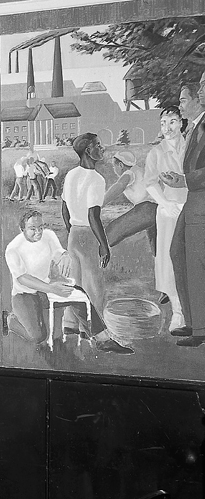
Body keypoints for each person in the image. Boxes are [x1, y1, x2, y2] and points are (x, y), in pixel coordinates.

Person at [61, 133, 132, 354]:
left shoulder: (71, 175)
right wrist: (103, 244)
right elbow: (93, 215)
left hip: (74, 234)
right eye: (98, 146)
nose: (102, 149)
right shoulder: (96, 179)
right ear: (87, 151)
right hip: (88, 235)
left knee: (76, 282)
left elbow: (64, 208)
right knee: (94, 288)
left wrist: (71, 230)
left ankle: (71, 325)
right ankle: (100, 338)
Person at [161, 69, 205, 347]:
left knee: (195, 263)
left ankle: (199, 329)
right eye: (200, 84)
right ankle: (192, 321)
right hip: (194, 200)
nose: (201, 90)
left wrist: (183, 180)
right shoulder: (197, 125)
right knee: (177, 252)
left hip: (201, 201)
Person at [142, 107, 187, 333]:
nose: (167, 128)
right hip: (169, 211)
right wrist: (165, 203)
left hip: (193, 207)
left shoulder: (191, 146)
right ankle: (178, 313)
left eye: (172, 122)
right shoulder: (157, 153)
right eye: (163, 123)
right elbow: (150, 183)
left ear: (181, 123)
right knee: (170, 261)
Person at [5, 210, 74, 344]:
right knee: (38, 337)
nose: (38, 232)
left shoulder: (48, 236)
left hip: (45, 290)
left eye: (41, 227)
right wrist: (51, 288)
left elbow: (58, 252)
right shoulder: (13, 248)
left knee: (80, 295)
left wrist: (65, 255)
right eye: (33, 228)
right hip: (24, 295)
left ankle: (98, 336)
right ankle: (9, 321)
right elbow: (22, 278)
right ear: (22, 229)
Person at [103, 151, 157, 255]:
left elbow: (119, 186)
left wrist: (100, 204)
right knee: (156, 244)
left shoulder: (129, 173)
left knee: (110, 232)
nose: (114, 170)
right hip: (157, 208)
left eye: (114, 166)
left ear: (120, 165)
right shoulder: (140, 170)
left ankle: (95, 254)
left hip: (146, 209)